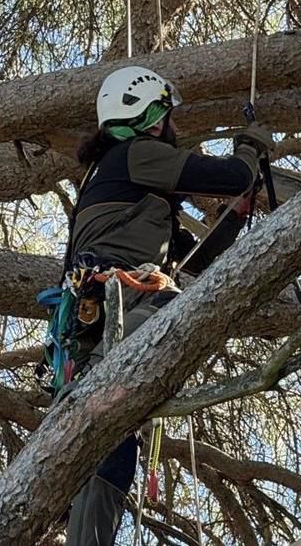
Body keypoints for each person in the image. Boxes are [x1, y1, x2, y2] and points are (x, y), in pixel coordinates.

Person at [59, 66, 272, 546]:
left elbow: (192, 255)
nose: (172, 128)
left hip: (109, 309)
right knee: (106, 423)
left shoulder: (127, 192)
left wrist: (238, 216)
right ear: (153, 117)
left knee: (115, 441)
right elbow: (229, 176)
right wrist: (250, 150)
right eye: (168, 117)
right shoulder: (136, 153)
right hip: (126, 301)